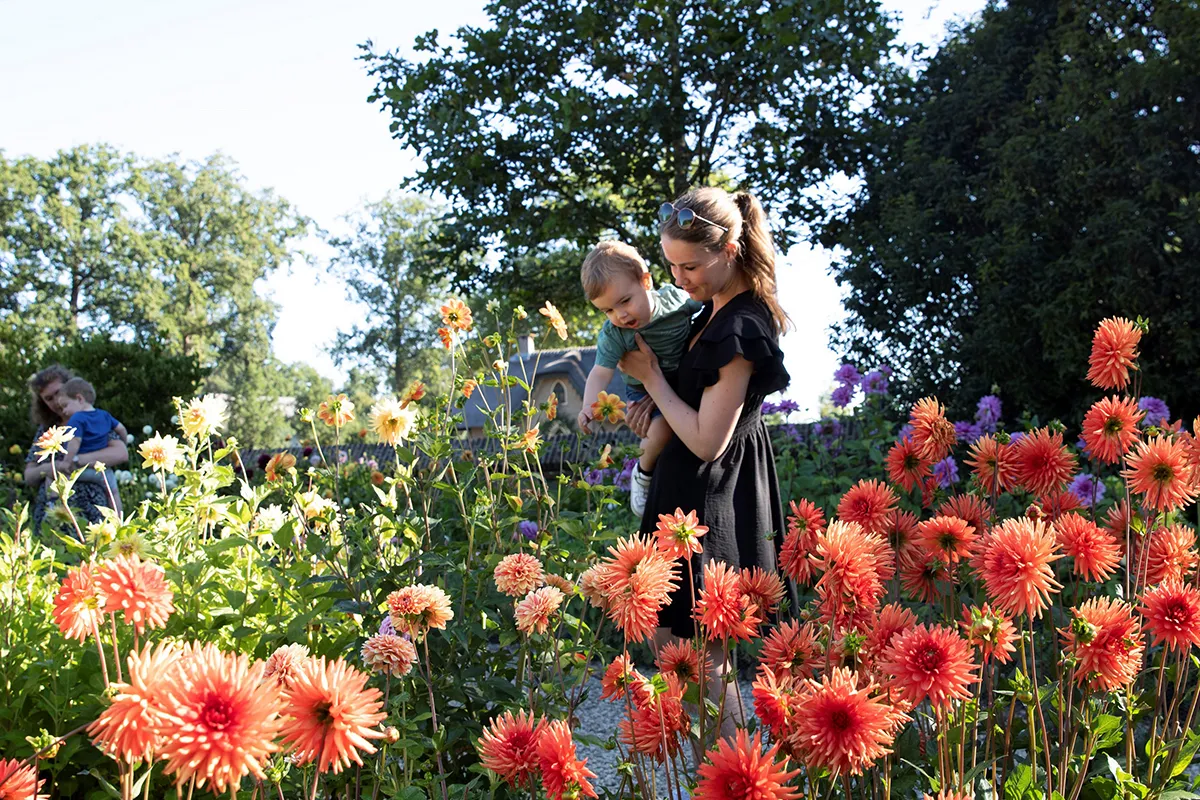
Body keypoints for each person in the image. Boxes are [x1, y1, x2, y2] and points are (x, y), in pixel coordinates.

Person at [618, 186, 791, 734]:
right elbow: (687, 402)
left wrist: (650, 379)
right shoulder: (706, 315)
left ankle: (734, 781)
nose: (678, 278)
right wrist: (656, 399)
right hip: (685, 498)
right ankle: (711, 779)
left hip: (712, 500)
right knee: (679, 655)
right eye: (670, 265)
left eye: (689, 265)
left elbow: (709, 439)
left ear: (731, 248)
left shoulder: (741, 326)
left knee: (704, 663)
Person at [576, 240, 702, 515]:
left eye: (624, 301)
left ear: (646, 281)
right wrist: (588, 406)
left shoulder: (673, 300)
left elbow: (707, 305)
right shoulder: (614, 334)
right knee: (662, 430)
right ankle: (642, 473)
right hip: (643, 392)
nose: (619, 315)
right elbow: (600, 372)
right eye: (608, 310)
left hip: (679, 382)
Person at [23, 365, 128, 533]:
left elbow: (121, 453)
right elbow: (29, 475)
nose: (56, 401)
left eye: (58, 393)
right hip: (53, 517)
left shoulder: (93, 419)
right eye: (49, 398)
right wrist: (50, 469)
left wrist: (74, 462)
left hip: (92, 513)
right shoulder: (47, 429)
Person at [54, 377, 125, 517]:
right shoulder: (104, 415)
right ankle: (119, 518)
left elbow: (75, 441)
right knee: (113, 492)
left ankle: (53, 503)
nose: (64, 411)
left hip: (82, 469)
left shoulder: (77, 418)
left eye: (65, 405)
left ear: (79, 399)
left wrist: (67, 461)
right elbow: (121, 429)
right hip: (103, 469)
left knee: (56, 478)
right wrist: (124, 441)